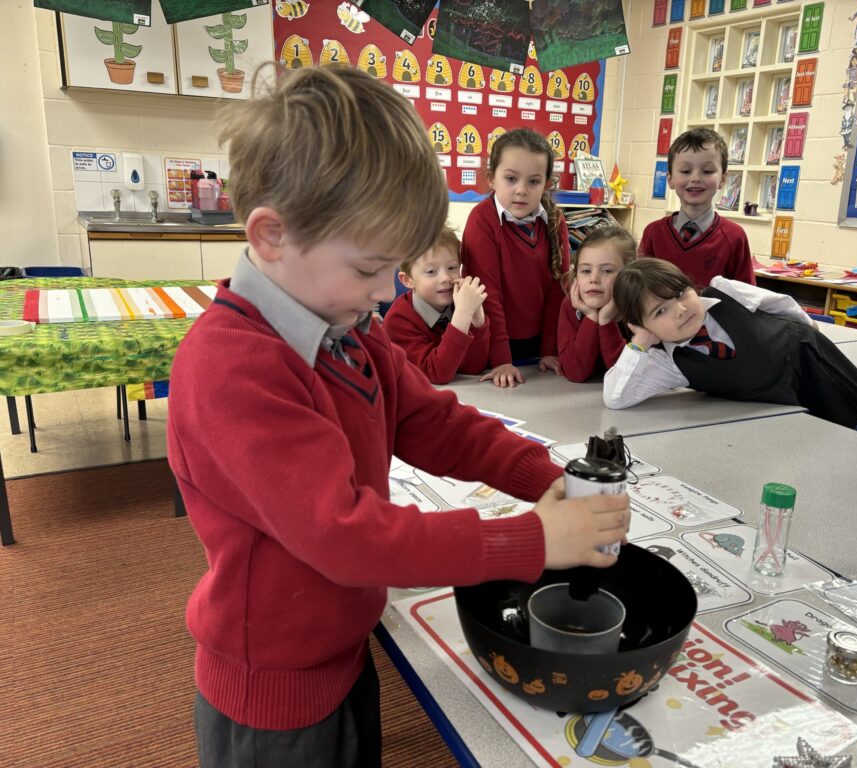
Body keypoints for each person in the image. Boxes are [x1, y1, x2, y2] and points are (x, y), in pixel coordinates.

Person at [166, 64, 630, 768]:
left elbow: (431, 420)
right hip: (274, 694)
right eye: (369, 269)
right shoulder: (233, 367)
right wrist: (530, 541)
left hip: (341, 645)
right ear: (270, 236)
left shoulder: (345, 324)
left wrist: (544, 475)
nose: (388, 291)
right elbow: (346, 536)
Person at [603, 258, 857, 429]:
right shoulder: (671, 363)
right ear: (643, 325)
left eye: (680, 294)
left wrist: (812, 333)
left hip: (809, 359)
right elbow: (616, 398)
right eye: (659, 311)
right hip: (776, 400)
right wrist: (639, 343)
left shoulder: (725, 290)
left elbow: (780, 304)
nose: (679, 310)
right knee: (834, 439)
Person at [460, 128, 570, 388]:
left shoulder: (556, 221)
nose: (521, 190)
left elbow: (558, 291)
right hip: (495, 347)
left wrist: (550, 350)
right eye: (511, 179)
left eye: (533, 182)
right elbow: (488, 296)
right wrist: (500, 359)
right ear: (491, 178)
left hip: (539, 348)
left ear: (546, 184)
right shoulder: (482, 220)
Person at [638, 128, 755, 289]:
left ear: (722, 179)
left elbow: (748, 299)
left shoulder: (735, 237)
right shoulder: (653, 234)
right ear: (670, 179)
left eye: (707, 171)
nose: (695, 178)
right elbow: (638, 292)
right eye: (686, 171)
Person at [383, 226, 489, 384]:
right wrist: (462, 316)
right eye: (431, 271)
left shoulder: (458, 304)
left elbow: (473, 368)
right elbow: (435, 374)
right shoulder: (398, 320)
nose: (446, 278)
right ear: (407, 280)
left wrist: (478, 324)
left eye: (452, 268)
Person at [557, 226, 634, 382]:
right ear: (576, 275)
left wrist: (606, 320)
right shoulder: (571, 305)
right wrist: (592, 317)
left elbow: (625, 375)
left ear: (628, 276)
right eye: (586, 271)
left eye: (606, 271)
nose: (594, 279)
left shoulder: (638, 306)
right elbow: (574, 373)